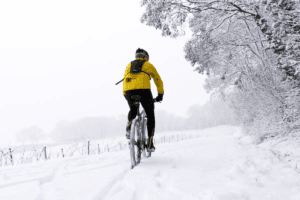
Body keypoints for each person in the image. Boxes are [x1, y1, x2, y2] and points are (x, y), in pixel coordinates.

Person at [123, 48, 164, 152]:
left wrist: (126, 95)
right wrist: (160, 94)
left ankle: (129, 126)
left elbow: (125, 81)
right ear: (146, 57)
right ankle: (150, 142)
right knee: (150, 114)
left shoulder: (129, 65)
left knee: (133, 108)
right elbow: (158, 80)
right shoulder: (148, 65)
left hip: (129, 91)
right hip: (144, 91)